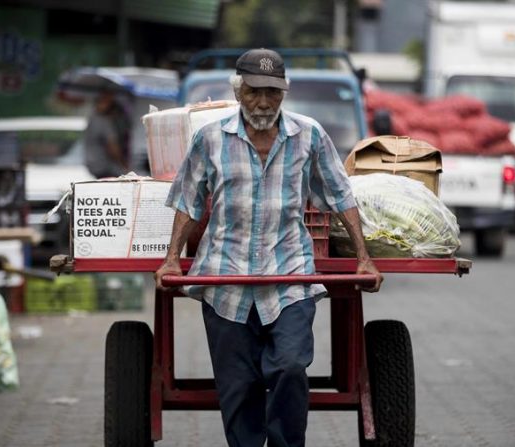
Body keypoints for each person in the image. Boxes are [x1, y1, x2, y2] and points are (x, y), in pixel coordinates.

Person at [154, 48, 383, 447]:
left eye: (273, 93)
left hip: (289, 275)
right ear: (239, 90)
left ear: (285, 93)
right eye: (255, 91)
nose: (263, 102)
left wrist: (364, 259)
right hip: (226, 278)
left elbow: (341, 194)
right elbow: (188, 199)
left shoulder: (308, 134)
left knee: (290, 367)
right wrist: (172, 259)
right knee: (239, 387)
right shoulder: (211, 138)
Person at [84, 90, 129, 178]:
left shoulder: (93, 117)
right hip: (104, 166)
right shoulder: (103, 121)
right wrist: (124, 165)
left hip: (93, 165)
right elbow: (112, 147)